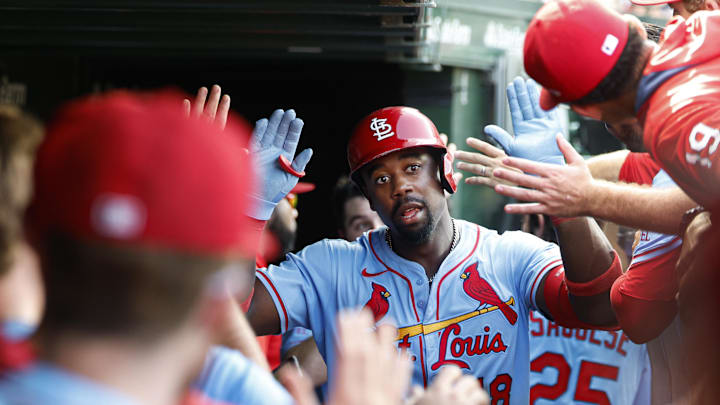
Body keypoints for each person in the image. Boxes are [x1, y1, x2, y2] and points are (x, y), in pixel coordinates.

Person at [246, 103, 622, 403]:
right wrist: (249, 210)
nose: (400, 186)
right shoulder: (330, 267)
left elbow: (602, 307)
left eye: (412, 167)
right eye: (381, 178)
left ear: (444, 171)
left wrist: (563, 197)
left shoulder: (510, 256)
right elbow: (234, 311)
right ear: (370, 199)